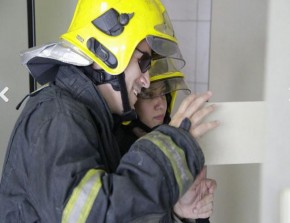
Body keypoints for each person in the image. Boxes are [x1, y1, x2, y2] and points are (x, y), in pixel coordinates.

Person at [0, 0, 219, 222]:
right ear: (107, 53)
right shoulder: (57, 117)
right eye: (142, 62)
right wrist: (170, 149)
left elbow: (121, 211)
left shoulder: (98, 124)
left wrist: (178, 213)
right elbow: (94, 216)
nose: (145, 81)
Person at [115, 68, 217, 222]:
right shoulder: (116, 153)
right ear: (132, 98)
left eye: (163, 93)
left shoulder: (180, 148)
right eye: (149, 94)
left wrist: (187, 215)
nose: (160, 104)